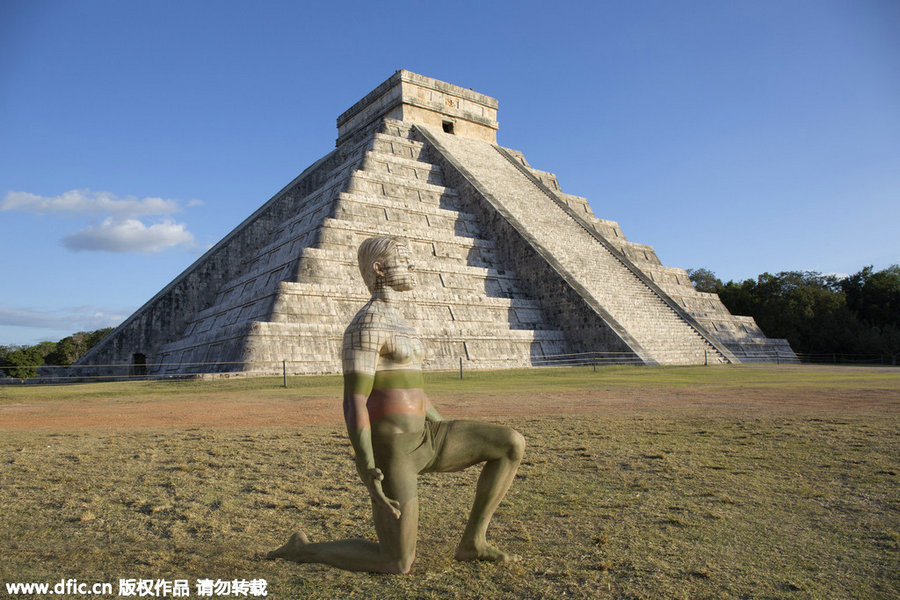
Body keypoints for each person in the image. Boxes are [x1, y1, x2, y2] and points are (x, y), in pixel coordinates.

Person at [268, 235, 525, 573]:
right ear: (380, 269)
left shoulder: (402, 322)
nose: (412, 266)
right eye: (404, 261)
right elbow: (354, 400)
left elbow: (415, 390)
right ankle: (302, 549)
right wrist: (366, 464)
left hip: (428, 436)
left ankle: (473, 542)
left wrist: (444, 426)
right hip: (395, 450)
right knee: (397, 561)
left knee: (510, 443)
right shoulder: (365, 325)